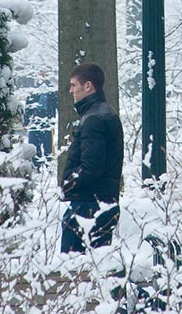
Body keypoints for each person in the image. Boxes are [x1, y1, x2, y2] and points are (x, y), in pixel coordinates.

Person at [60, 62, 124, 253]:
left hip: (88, 205)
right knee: (97, 270)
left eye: (73, 85)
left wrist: (68, 183)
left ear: (88, 86)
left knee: (71, 270)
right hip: (101, 201)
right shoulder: (102, 114)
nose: (70, 90)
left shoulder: (93, 119)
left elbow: (91, 166)